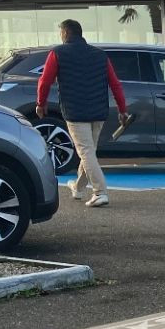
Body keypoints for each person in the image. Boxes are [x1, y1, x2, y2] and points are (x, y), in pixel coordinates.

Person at [35, 19, 131, 208]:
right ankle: (78, 188)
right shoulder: (100, 55)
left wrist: (41, 103)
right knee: (89, 152)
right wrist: (122, 110)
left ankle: (100, 192)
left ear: (65, 33)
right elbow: (115, 84)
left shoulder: (58, 53)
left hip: (75, 111)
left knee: (85, 152)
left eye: (60, 32)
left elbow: (45, 81)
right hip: (98, 111)